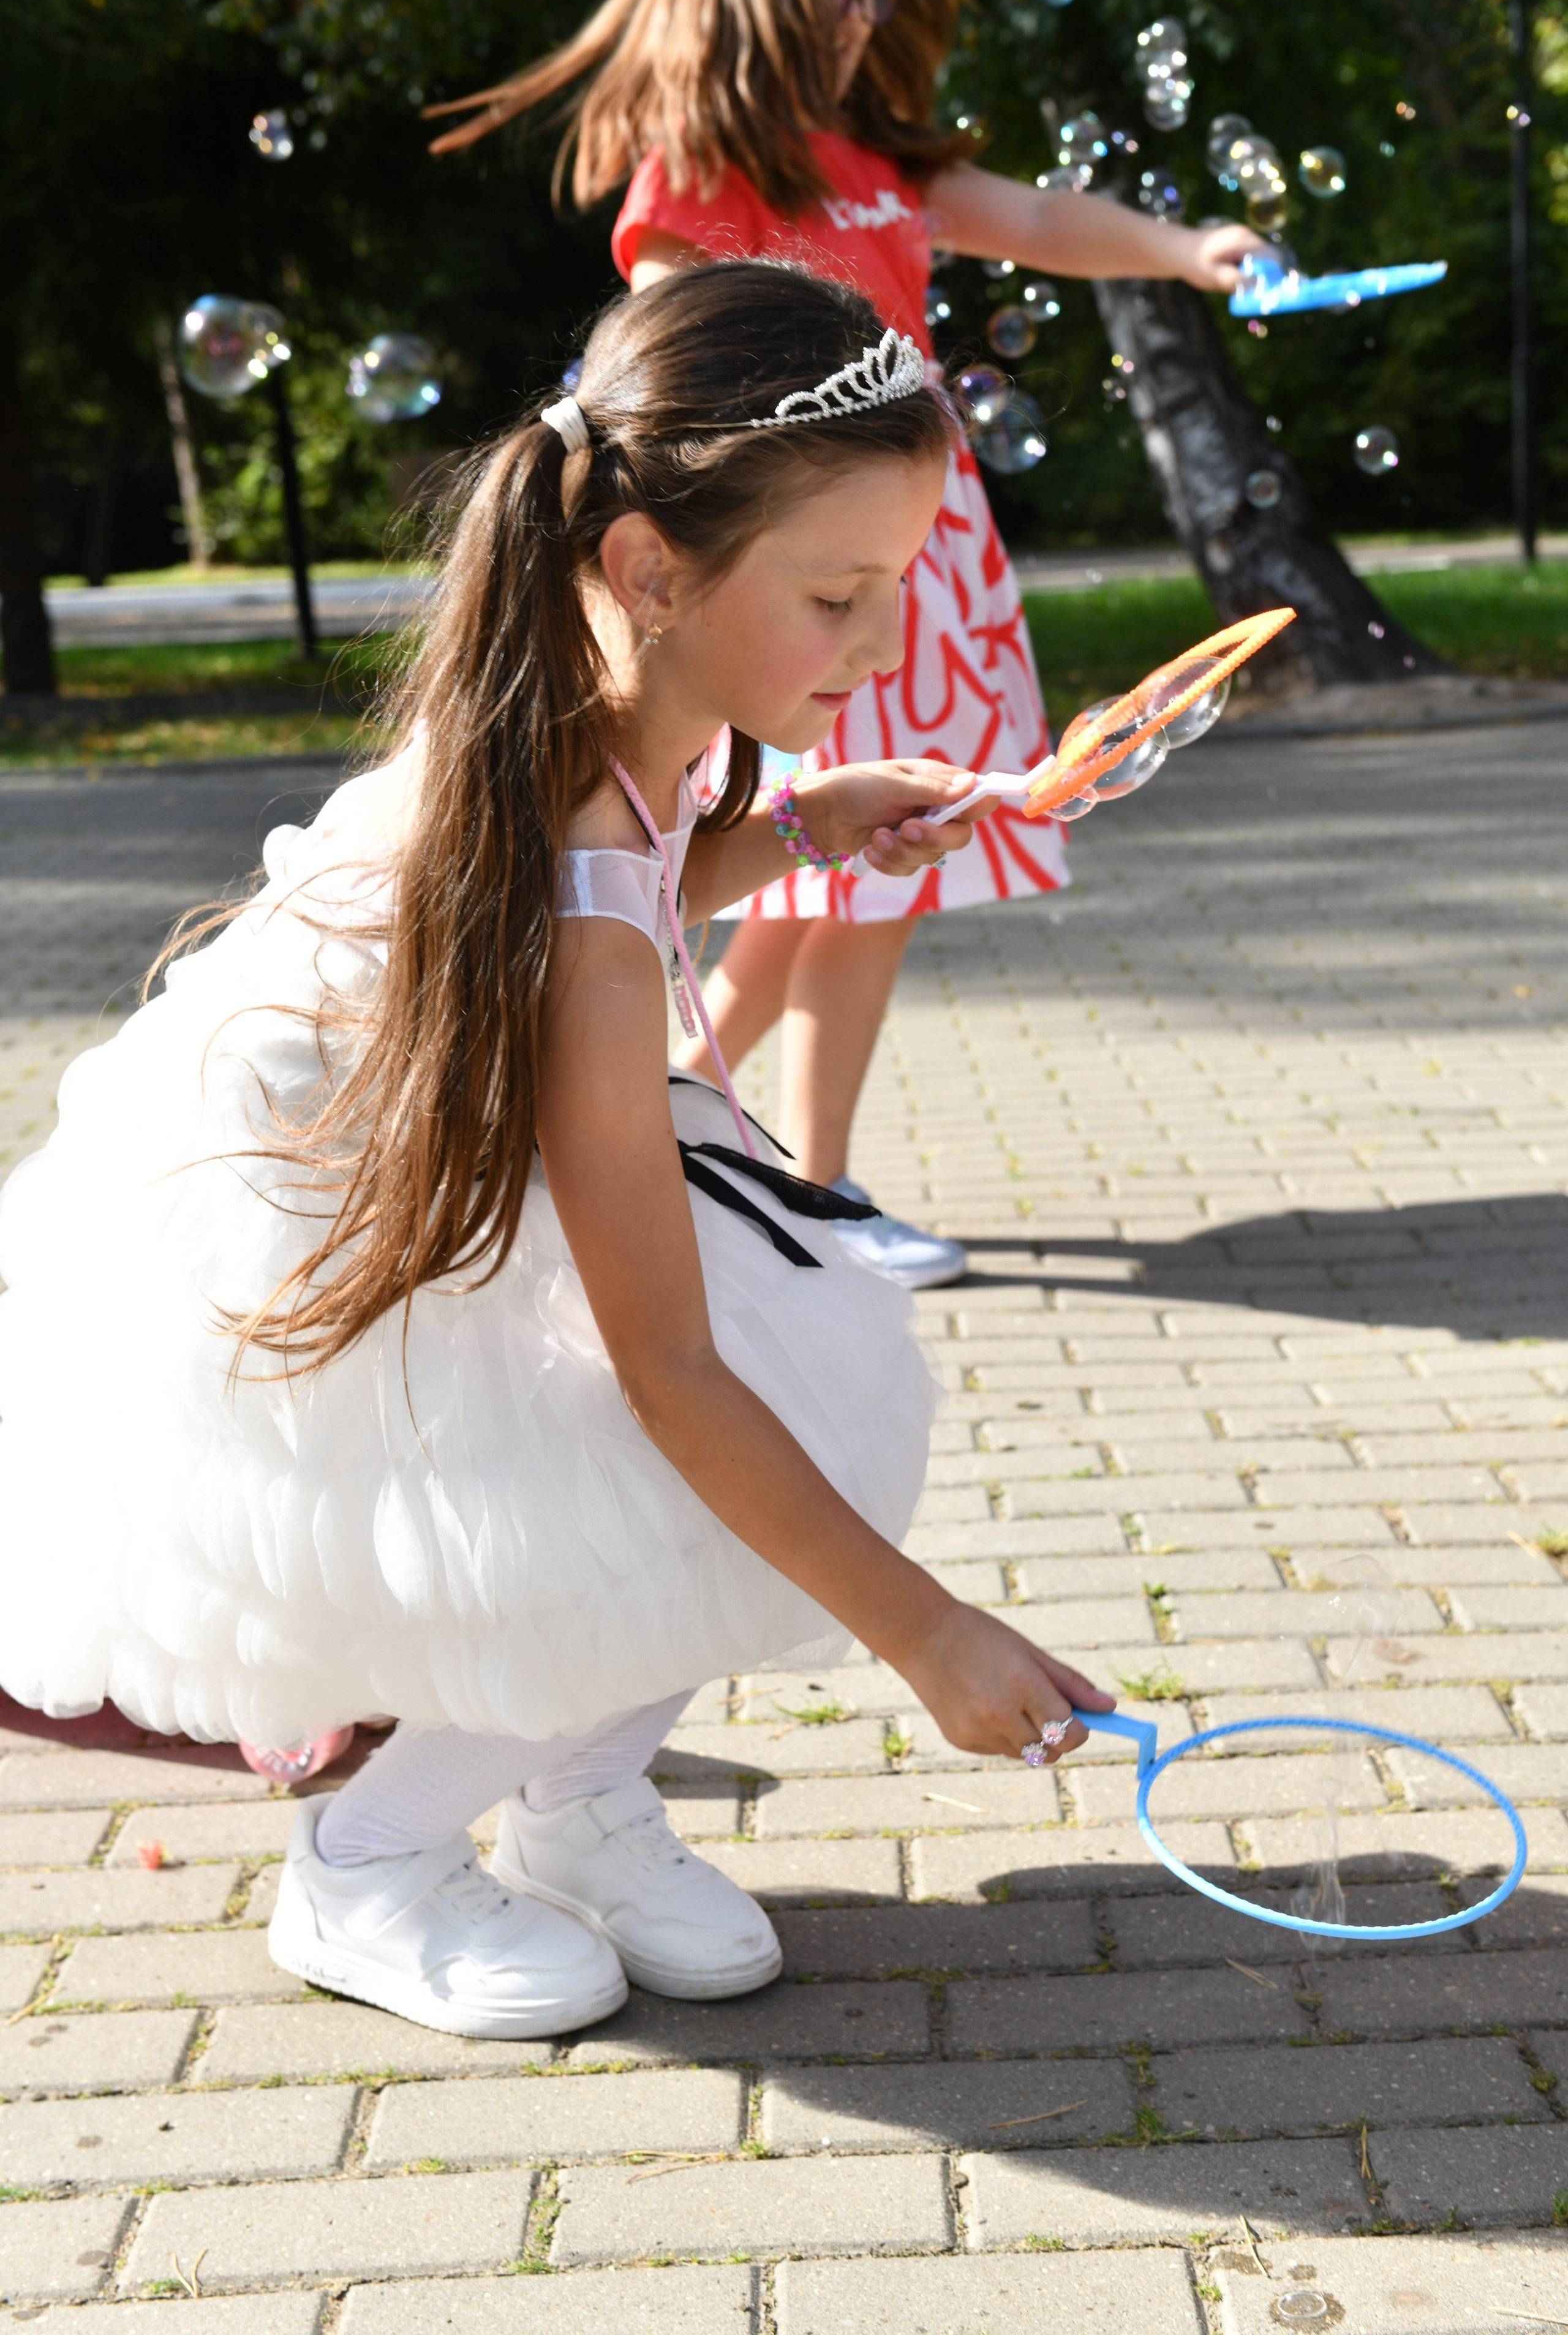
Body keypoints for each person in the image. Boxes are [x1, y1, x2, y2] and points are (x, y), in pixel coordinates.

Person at [0, 263, 1111, 2041]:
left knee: (759, 1414)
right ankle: (368, 1862)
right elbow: (664, 1366)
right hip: (319, 1219)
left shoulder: (628, 720)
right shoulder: (575, 895)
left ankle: (581, 1807)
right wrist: (927, 1633)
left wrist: (818, 822)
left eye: (894, 585)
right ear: (651, 572)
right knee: (643, 1481)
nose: (889, 645)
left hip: (470, 1146)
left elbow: (664, 867)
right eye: (840, 596)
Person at [428, 0, 1262, 1289]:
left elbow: (1039, 218)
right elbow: (657, 378)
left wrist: (1186, 248)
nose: (863, 15)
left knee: (841, 878)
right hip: (794, 565)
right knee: (862, 882)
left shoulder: (879, 155)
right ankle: (809, 1179)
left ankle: (695, 1134)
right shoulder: (704, 166)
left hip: (916, 560)